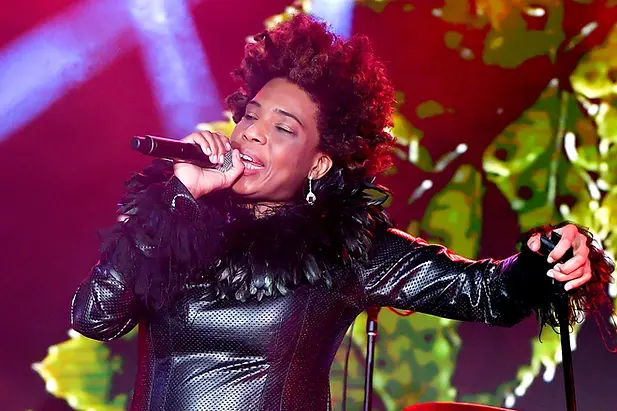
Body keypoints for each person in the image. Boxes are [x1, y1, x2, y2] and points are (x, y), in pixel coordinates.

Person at [71, 13, 614, 411]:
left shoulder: (346, 248)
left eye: (283, 128)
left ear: (318, 163)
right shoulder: (177, 220)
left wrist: (547, 257)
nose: (252, 132)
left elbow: (485, 293)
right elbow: (95, 317)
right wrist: (178, 196)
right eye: (251, 116)